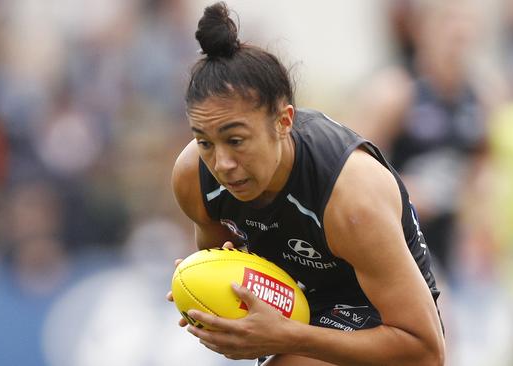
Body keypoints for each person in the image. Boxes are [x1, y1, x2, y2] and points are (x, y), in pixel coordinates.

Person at [167, 2, 445, 365]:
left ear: (284, 122)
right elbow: (235, 284)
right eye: (204, 142)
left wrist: (286, 335)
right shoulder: (194, 178)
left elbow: (426, 351)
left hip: (384, 320)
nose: (222, 164)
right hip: (306, 307)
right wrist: (204, 297)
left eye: (235, 140)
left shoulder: (350, 197)